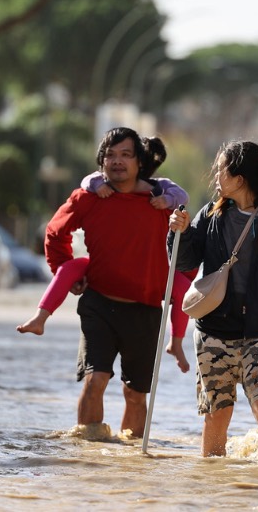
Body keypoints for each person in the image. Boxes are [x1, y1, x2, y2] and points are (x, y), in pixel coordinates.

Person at [168, 140, 258, 458]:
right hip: (213, 332)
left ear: (239, 178)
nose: (215, 174)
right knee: (216, 413)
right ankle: (214, 484)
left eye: (220, 168)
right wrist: (178, 233)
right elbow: (184, 262)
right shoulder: (211, 214)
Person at [43, 127, 192, 438]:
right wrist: (66, 272)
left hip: (147, 310)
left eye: (126, 155)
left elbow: (189, 251)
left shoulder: (159, 201)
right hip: (99, 303)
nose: (117, 161)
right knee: (95, 378)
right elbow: (56, 233)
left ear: (140, 162)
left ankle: (128, 466)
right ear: (101, 161)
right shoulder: (88, 197)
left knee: (135, 394)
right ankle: (88, 454)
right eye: (110, 155)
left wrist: (182, 225)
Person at [18, 148, 195, 363]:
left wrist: (166, 200)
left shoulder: (160, 187)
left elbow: (182, 197)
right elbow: (87, 181)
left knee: (184, 288)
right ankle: (40, 317)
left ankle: (176, 343)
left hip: (150, 273)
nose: (122, 165)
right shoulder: (102, 185)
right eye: (114, 157)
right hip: (105, 269)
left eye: (129, 158)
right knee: (70, 267)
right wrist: (99, 186)